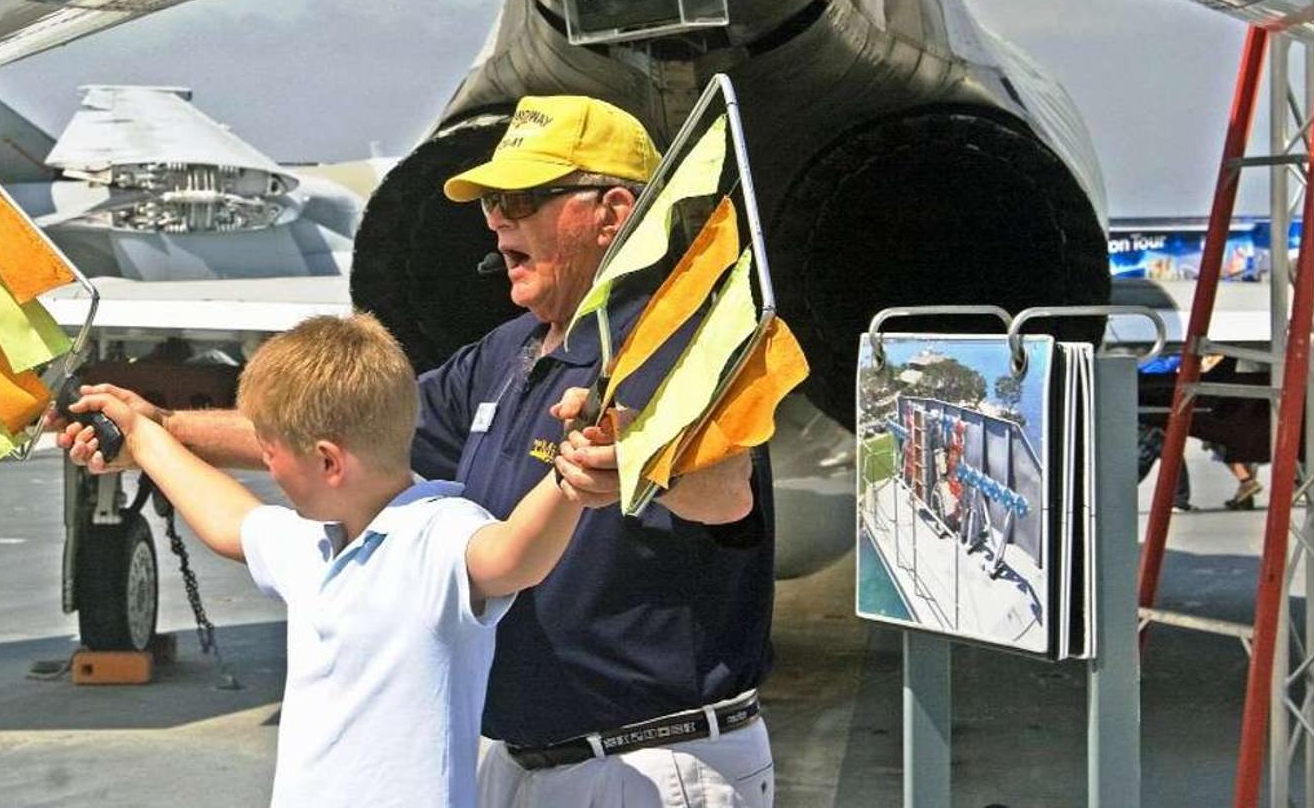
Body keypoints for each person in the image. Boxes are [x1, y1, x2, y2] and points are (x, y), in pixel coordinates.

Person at [62, 95, 779, 807]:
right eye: (492, 200)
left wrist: (645, 459)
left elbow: (729, 492)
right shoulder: (506, 355)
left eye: (523, 197)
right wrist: (157, 427)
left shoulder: (681, 350)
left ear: (613, 213)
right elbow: (340, 429)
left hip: (646, 765)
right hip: (522, 766)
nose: (497, 218)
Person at [67, 312, 607, 808]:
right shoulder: (314, 544)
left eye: (270, 452)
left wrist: (568, 476)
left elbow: (515, 555)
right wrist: (142, 435)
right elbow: (229, 520)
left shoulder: (437, 534)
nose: (269, 469)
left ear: (327, 460)